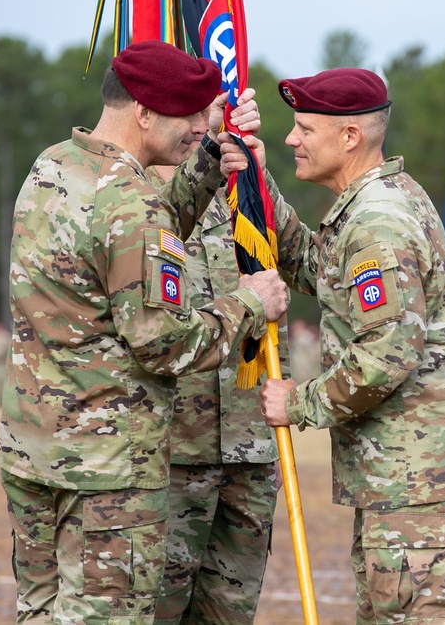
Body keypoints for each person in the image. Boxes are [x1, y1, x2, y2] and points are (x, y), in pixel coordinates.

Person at [0, 40, 288, 625]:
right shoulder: (132, 200)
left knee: (42, 611)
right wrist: (248, 304)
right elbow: (165, 345)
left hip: (34, 448)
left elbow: (128, 241)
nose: (199, 125)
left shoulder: (53, 166)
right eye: (189, 115)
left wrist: (208, 156)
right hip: (107, 466)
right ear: (144, 113)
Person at [257, 68, 445, 623]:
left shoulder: (378, 219)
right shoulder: (371, 201)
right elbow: (318, 269)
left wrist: (299, 402)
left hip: (410, 474)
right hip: (398, 472)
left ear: (350, 136)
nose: (291, 139)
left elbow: (388, 353)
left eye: (304, 128)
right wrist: (260, 187)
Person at [149, 162, 294, 624]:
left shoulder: (245, 196)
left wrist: (257, 171)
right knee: (154, 608)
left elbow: (313, 266)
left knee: (229, 614)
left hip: (248, 446)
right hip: (172, 449)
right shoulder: (141, 198)